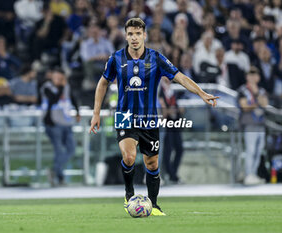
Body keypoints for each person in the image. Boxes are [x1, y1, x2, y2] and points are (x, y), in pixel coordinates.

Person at [89, 18, 218, 216]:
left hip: (149, 117)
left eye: (138, 34)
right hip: (124, 116)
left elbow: (180, 77)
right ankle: (129, 193)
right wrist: (96, 113)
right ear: (126, 36)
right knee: (129, 156)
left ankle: (154, 205)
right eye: (130, 34)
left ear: (144, 35)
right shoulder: (116, 58)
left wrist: (201, 93)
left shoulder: (156, 58)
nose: (134, 38)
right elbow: (102, 83)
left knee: (152, 163)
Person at [41, 68, 80, 186]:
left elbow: (72, 98)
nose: (60, 80)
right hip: (53, 123)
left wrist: (78, 111)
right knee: (59, 150)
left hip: (66, 122)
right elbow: (53, 99)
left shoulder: (67, 86)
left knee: (71, 149)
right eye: (57, 78)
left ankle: (54, 170)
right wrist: (61, 87)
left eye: (61, 78)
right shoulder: (46, 87)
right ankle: (60, 177)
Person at [238, 67, 268, 185]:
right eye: (250, 74)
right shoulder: (243, 90)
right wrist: (257, 103)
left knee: (259, 149)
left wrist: (255, 95)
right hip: (249, 123)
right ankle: (248, 174)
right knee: (250, 149)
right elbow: (244, 106)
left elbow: (265, 104)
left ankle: (253, 173)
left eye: (254, 74)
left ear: (258, 77)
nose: (252, 77)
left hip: (260, 123)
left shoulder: (261, 90)